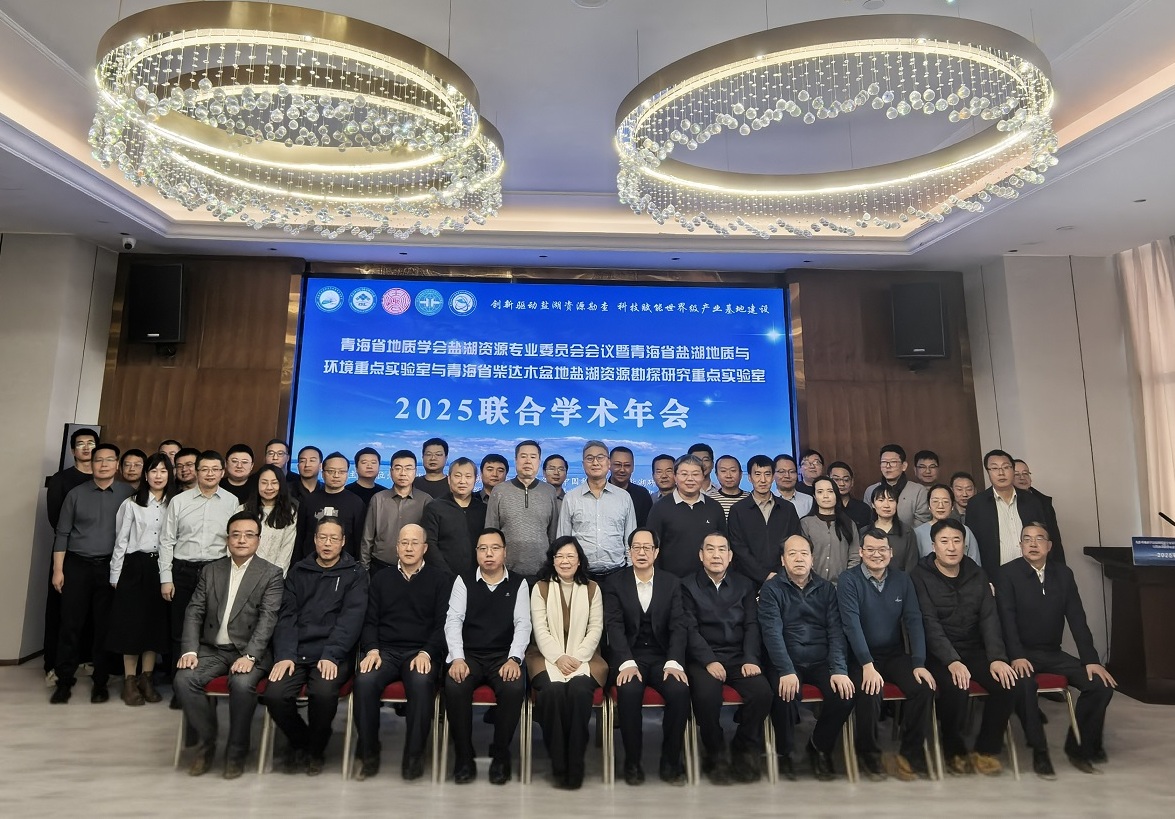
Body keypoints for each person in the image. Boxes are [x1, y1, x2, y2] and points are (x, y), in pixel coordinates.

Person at [911, 518, 1044, 776]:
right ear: (933, 546)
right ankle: (954, 750)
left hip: (974, 649)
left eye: (957, 541)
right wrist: (952, 660)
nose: (951, 547)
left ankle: (986, 749)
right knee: (956, 686)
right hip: (938, 654)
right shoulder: (919, 576)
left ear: (965, 544)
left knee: (1008, 683)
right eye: (944, 541)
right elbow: (928, 623)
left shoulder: (977, 574)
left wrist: (997, 658)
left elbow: (989, 618)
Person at [996, 523, 1114, 775]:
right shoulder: (1007, 573)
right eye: (1027, 539)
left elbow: (1077, 619)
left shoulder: (1063, 574)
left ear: (1049, 546)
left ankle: (1080, 748)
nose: (1033, 544)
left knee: (1100, 685)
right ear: (1020, 545)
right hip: (1021, 653)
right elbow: (1006, 619)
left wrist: (1091, 660)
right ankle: (1040, 752)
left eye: (1039, 539)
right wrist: (1016, 656)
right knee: (1025, 686)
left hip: (1052, 653)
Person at [174, 512, 284, 778]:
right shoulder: (211, 570)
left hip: (248, 652)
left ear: (258, 540)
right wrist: (190, 650)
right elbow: (194, 611)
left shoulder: (271, 574)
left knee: (242, 684)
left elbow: (268, 620)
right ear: (227, 539)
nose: (242, 540)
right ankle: (207, 743)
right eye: (236, 535)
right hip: (212, 650)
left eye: (249, 535)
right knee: (184, 679)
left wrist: (251, 656)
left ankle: (237, 750)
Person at [263, 516, 368, 775]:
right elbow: (286, 617)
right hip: (296, 651)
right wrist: (285, 654)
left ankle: (316, 750)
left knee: (322, 692)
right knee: (274, 694)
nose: (327, 543)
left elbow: (351, 620)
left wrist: (332, 654)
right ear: (314, 540)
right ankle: (303, 741)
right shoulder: (299, 571)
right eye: (323, 538)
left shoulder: (355, 574)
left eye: (334, 538)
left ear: (343, 542)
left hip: (332, 653)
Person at [353, 523, 452, 781]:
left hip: (420, 653)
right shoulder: (381, 579)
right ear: (396, 547)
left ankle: (413, 757)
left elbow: (444, 625)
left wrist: (427, 652)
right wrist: (372, 650)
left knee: (421, 683)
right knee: (364, 682)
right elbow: (369, 621)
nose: (409, 548)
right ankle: (368, 753)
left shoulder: (440, 580)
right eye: (404, 543)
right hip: (385, 652)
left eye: (414, 543)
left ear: (425, 548)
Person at [837, 529, 935, 781]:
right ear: (861, 552)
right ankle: (868, 752)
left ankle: (910, 752)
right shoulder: (849, 580)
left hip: (893, 654)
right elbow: (851, 625)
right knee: (870, 689)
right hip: (859, 657)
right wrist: (867, 664)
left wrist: (919, 662)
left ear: (890, 553)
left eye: (882, 549)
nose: (876, 554)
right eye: (870, 549)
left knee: (923, 687)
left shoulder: (902, 579)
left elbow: (914, 620)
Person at [758, 535, 856, 781]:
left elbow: (836, 632)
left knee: (844, 695)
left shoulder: (826, 589)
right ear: (783, 560)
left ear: (812, 558)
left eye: (804, 553)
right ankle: (784, 752)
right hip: (787, 660)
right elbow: (772, 633)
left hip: (820, 659)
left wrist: (839, 669)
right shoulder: (771, 589)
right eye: (792, 554)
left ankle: (819, 747)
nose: (799, 558)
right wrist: (786, 670)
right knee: (784, 694)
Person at [681, 534, 772, 784]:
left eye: (722, 550)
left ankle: (744, 746)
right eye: (710, 549)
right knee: (707, 696)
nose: (716, 555)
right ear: (701, 555)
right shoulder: (686, 586)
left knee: (762, 693)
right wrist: (709, 660)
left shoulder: (744, 585)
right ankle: (715, 750)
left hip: (739, 656)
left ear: (730, 556)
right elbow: (689, 629)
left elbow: (752, 625)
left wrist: (751, 658)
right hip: (704, 658)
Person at [443, 528, 531, 785]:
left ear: (505, 552)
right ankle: (464, 756)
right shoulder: (463, 581)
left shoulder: (519, 583)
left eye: (494, 548)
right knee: (454, 685)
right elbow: (453, 621)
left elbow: (523, 624)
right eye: (483, 549)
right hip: (469, 655)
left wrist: (514, 658)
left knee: (513, 687)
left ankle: (501, 755)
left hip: (503, 656)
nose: (489, 554)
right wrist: (457, 658)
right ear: (476, 553)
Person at [49, 442, 136, 704]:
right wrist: (58, 570)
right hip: (77, 565)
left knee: (104, 626)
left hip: (110, 568)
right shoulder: (75, 494)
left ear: (117, 465)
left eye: (109, 460)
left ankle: (100, 681)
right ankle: (64, 680)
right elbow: (62, 533)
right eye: (99, 460)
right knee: (70, 624)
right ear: (92, 463)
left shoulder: (128, 494)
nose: (103, 464)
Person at [604, 528, 691, 786]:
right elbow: (614, 626)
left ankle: (671, 762)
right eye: (636, 547)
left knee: (680, 691)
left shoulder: (671, 583)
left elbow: (679, 626)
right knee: (629, 691)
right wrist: (626, 662)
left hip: (663, 657)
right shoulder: (615, 583)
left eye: (647, 547)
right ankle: (632, 762)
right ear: (629, 551)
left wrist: (674, 661)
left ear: (656, 552)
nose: (641, 552)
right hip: (629, 656)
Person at [159, 450, 239, 707]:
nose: (210, 474)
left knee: (210, 632)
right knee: (180, 631)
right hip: (182, 571)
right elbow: (166, 541)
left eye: (215, 469)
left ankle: (205, 687)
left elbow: (233, 541)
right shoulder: (179, 501)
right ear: (196, 471)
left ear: (222, 472)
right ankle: (180, 689)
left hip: (216, 571)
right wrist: (166, 578)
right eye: (204, 469)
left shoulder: (232, 502)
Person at [527, 536, 607, 790]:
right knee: (552, 693)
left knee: (579, 692)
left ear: (579, 560)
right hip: (545, 656)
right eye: (559, 556)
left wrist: (577, 657)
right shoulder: (540, 588)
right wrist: (558, 657)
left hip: (585, 656)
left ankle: (576, 763)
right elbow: (540, 630)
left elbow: (595, 628)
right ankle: (558, 763)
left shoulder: (593, 588)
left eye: (570, 556)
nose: (565, 561)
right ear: (552, 560)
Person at [108, 452, 175, 706]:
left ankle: (147, 678)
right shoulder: (132, 504)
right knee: (132, 625)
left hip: (162, 568)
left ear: (169, 475)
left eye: (163, 471)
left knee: (154, 626)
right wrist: (116, 574)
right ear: (146, 475)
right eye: (153, 471)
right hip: (134, 567)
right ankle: (129, 681)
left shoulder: (175, 504)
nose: (158, 476)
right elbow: (121, 541)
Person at [43, 427, 98, 684]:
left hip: (97, 557)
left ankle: (84, 658)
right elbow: (56, 520)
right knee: (61, 610)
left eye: (91, 443)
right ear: (73, 450)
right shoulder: (61, 479)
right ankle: (52, 664)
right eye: (81, 443)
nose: (86, 447)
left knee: (90, 610)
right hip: (66, 553)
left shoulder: (103, 478)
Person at [558, 440, 637, 581]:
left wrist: (631, 573)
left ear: (608, 463)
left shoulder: (623, 497)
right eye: (590, 458)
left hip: (617, 574)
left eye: (600, 457)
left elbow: (630, 540)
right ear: (583, 464)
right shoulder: (571, 498)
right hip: (581, 575)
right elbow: (563, 541)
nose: (595, 463)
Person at [965, 449, 1049, 580]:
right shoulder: (977, 504)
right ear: (988, 472)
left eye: (1006, 467)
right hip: (994, 576)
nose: (1001, 473)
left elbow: (1045, 536)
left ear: (1013, 470)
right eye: (994, 468)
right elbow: (972, 546)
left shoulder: (1032, 501)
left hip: (1032, 573)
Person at [486, 440, 559, 579]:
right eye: (523, 456)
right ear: (516, 460)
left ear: (539, 461)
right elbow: (491, 532)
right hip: (506, 573)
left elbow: (553, 534)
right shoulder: (499, 491)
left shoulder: (549, 491)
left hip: (542, 572)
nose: (528, 461)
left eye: (533, 457)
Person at [726, 454, 801, 588]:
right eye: (757, 474)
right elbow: (738, 548)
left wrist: (780, 574)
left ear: (773, 477)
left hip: (783, 579)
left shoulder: (787, 508)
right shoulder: (738, 510)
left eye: (767, 474)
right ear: (749, 477)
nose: (763, 480)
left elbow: (794, 541)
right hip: (746, 581)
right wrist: (764, 575)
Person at [647, 454, 726, 578]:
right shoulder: (660, 508)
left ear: (703, 476)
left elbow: (724, 545)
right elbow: (652, 547)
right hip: (671, 582)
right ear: (675, 477)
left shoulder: (714, 507)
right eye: (684, 474)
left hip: (708, 581)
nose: (690, 479)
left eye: (695, 474)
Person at [361, 450, 428, 572]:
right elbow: (367, 537)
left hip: (415, 568)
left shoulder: (426, 500)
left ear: (415, 471)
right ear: (391, 471)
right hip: (380, 566)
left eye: (408, 468)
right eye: (398, 468)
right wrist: (364, 570)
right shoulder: (378, 499)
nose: (403, 473)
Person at [294, 452, 367, 563]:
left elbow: (359, 540)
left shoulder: (356, 503)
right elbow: (300, 536)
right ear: (323, 473)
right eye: (331, 471)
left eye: (341, 471)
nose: (336, 475)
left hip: (344, 566)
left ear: (347, 474)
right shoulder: (309, 500)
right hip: (310, 564)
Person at [421, 457, 486, 576]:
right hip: (443, 577)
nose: (462, 481)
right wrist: (448, 575)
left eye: (468, 476)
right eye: (457, 476)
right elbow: (430, 544)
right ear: (449, 479)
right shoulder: (435, 507)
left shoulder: (483, 509)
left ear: (476, 479)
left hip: (478, 577)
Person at [239, 464, 298, 574]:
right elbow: (234, 544)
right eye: (264, 483)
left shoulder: (290, 513)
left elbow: (286, 549)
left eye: (274, 483)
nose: (269, 487)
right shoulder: (242, 510)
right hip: (242, 573)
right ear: (257, 484)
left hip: (273, 575)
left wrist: (275, 577)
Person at [799, 476, 860, 582]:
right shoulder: (805, 523)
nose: (825, 496)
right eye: (820, 492)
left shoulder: (849, 523)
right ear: (814, 496)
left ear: (836, 494)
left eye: (830, 491)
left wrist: (846, 580)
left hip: (842, 585)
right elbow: (802, 556)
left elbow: (855, 557)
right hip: (812, 584)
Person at [863, 445, 931, 530]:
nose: (888, 466)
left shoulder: (919, 491)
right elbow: (867, 520)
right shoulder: (871, 490)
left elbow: (922, 523)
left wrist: (903, 536)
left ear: (904, 466)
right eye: (884, 462)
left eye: (893, 462)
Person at [1012, 460, 1067, 564]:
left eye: (1025, 473)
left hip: (1046, 559)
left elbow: (1054, 537)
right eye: (1016, 474)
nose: (1022, 477)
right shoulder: (1008, 503)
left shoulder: (1043, 501)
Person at [914, 484, 981, 564]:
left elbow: (975, 562)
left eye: (945, 502)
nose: (940, 506)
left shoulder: (965, 530)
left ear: (952, 505)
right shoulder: (917, 533)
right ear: (929, 505)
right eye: (935, 501)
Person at [864, 483, 918, 573]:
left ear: (897, 503)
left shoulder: (907, 532)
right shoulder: (864, 532)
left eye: (891, 500)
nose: (886, 505)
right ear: (873, 504)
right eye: (881, 500)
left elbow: (911, 565)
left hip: (900, 580)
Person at [609, 445, 654, 527]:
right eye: (617, 465)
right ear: (609, 465)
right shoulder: (600, 493)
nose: (622, 470)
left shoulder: (642, 495)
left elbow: (647, 527)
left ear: (633, 467)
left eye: (627, 465)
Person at [828, 461, 872, 530]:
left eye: (846, 480)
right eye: (836, 479)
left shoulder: (863, 508)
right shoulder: (824, 507)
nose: (842, 484)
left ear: (852, 482)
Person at [711, 455, 749, 520]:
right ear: (716, 474)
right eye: (723, 471)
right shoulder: (709, 500)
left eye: (733, 470)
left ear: (740, 474)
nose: (728, 476)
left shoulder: (751, 499)